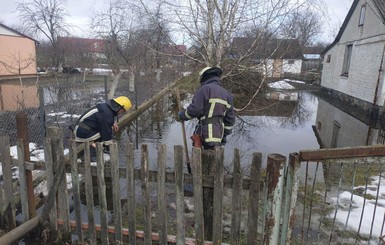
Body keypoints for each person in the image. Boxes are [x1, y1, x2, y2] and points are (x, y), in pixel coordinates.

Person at [178, 67, 236, 149]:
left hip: (204, 135)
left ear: (204, 77)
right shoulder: (227, 94)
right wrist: (224, 135)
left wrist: (182, 115)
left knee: (201, 159)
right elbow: (230, 119)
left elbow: (195, 110)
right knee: (214, 160)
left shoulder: (204, 89)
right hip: (218, 136)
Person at [72, 96, 132, 160]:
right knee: (104, 133)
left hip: (81, 128)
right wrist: (109, 146)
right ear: (120, 107)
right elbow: (105, 132)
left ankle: (96, 146)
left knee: (106, 130)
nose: (121, 113)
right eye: (123, 111)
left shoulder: (107, 108)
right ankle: (92, 156)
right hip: (82, 132)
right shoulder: (107, 114)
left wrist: (113, 123)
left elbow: (102, 119)